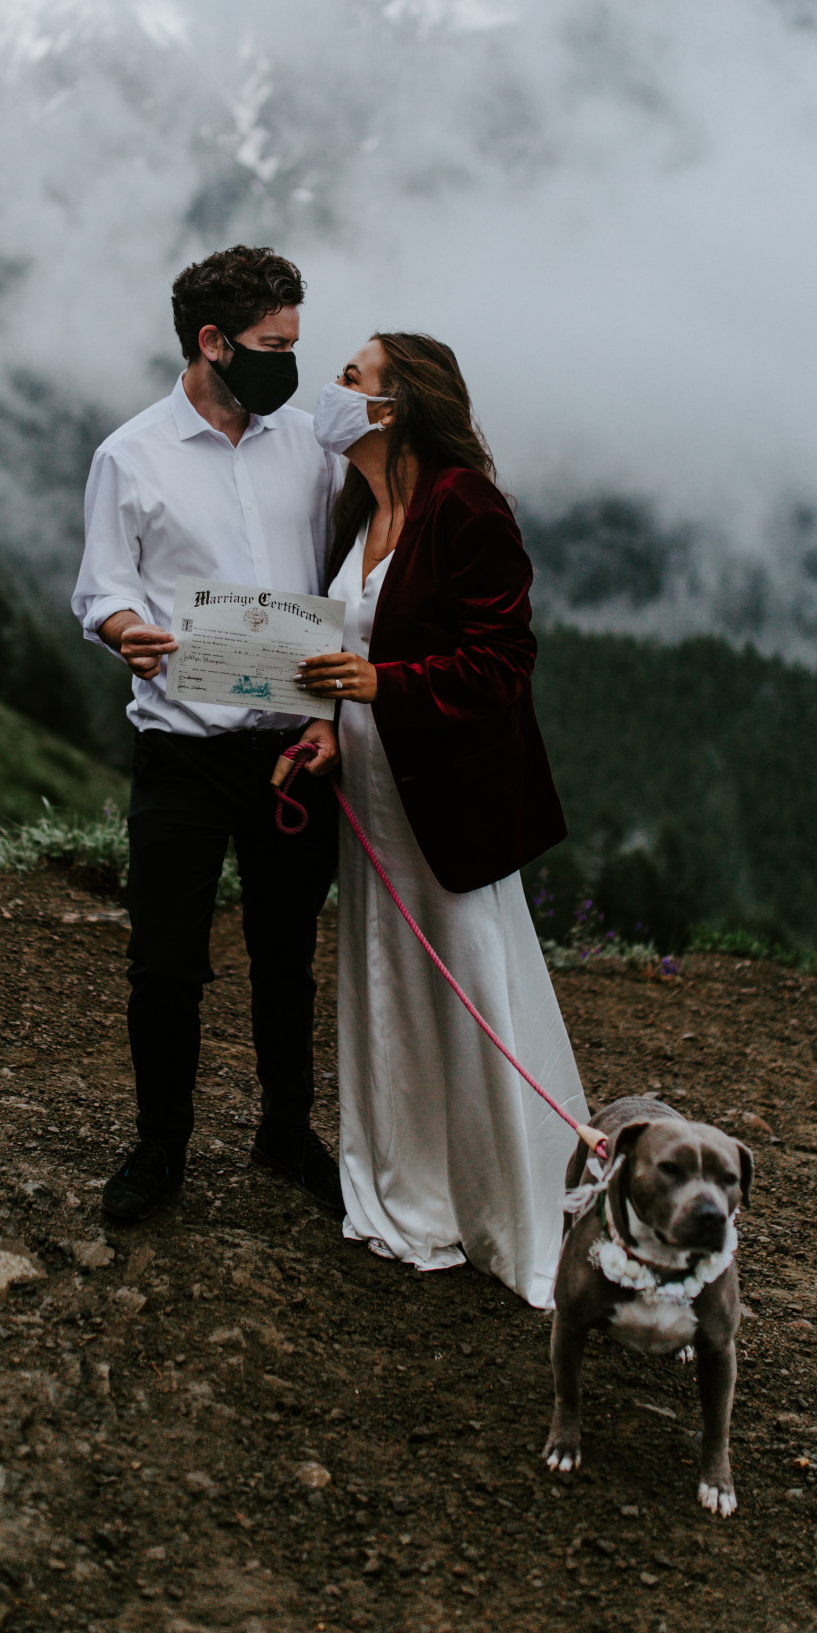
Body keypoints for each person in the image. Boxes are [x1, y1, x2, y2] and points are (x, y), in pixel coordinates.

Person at [287, 332, 587, 1305]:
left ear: (396, 403)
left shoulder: (464, 503)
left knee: (467, 979)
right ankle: (408, 1193)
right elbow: (343, 647)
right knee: (384, 980)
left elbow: (503, 660)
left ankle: (514, 1205)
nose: (331, 390)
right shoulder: (355, 507)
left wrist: (383, 682)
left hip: (447, 794)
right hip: (366, 792)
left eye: (349, 377)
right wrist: (327, 726)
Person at [72, 245, 343, 1225]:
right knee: (164, 960)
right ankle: (158, 1149)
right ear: (211, 341)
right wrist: (118, 630)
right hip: (182, 747)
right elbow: (101, 584)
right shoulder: (129, 455)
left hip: (290, 749)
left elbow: (340, 579)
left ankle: (285, 1131)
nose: (288, 364)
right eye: (273, 346)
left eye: (295, 344)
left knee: (286, 954)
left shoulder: (312, 448)